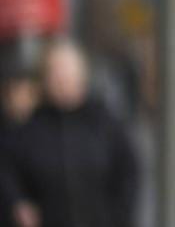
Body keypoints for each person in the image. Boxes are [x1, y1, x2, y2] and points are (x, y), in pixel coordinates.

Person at [0, 41, 139, 227]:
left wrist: (119, 217)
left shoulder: (104, 123)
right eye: (55, 73)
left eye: (67, 73)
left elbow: (129, 172)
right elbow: (7, 169)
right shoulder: (30, 126)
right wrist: (17, 202)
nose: (62, 80)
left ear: (82, 75)